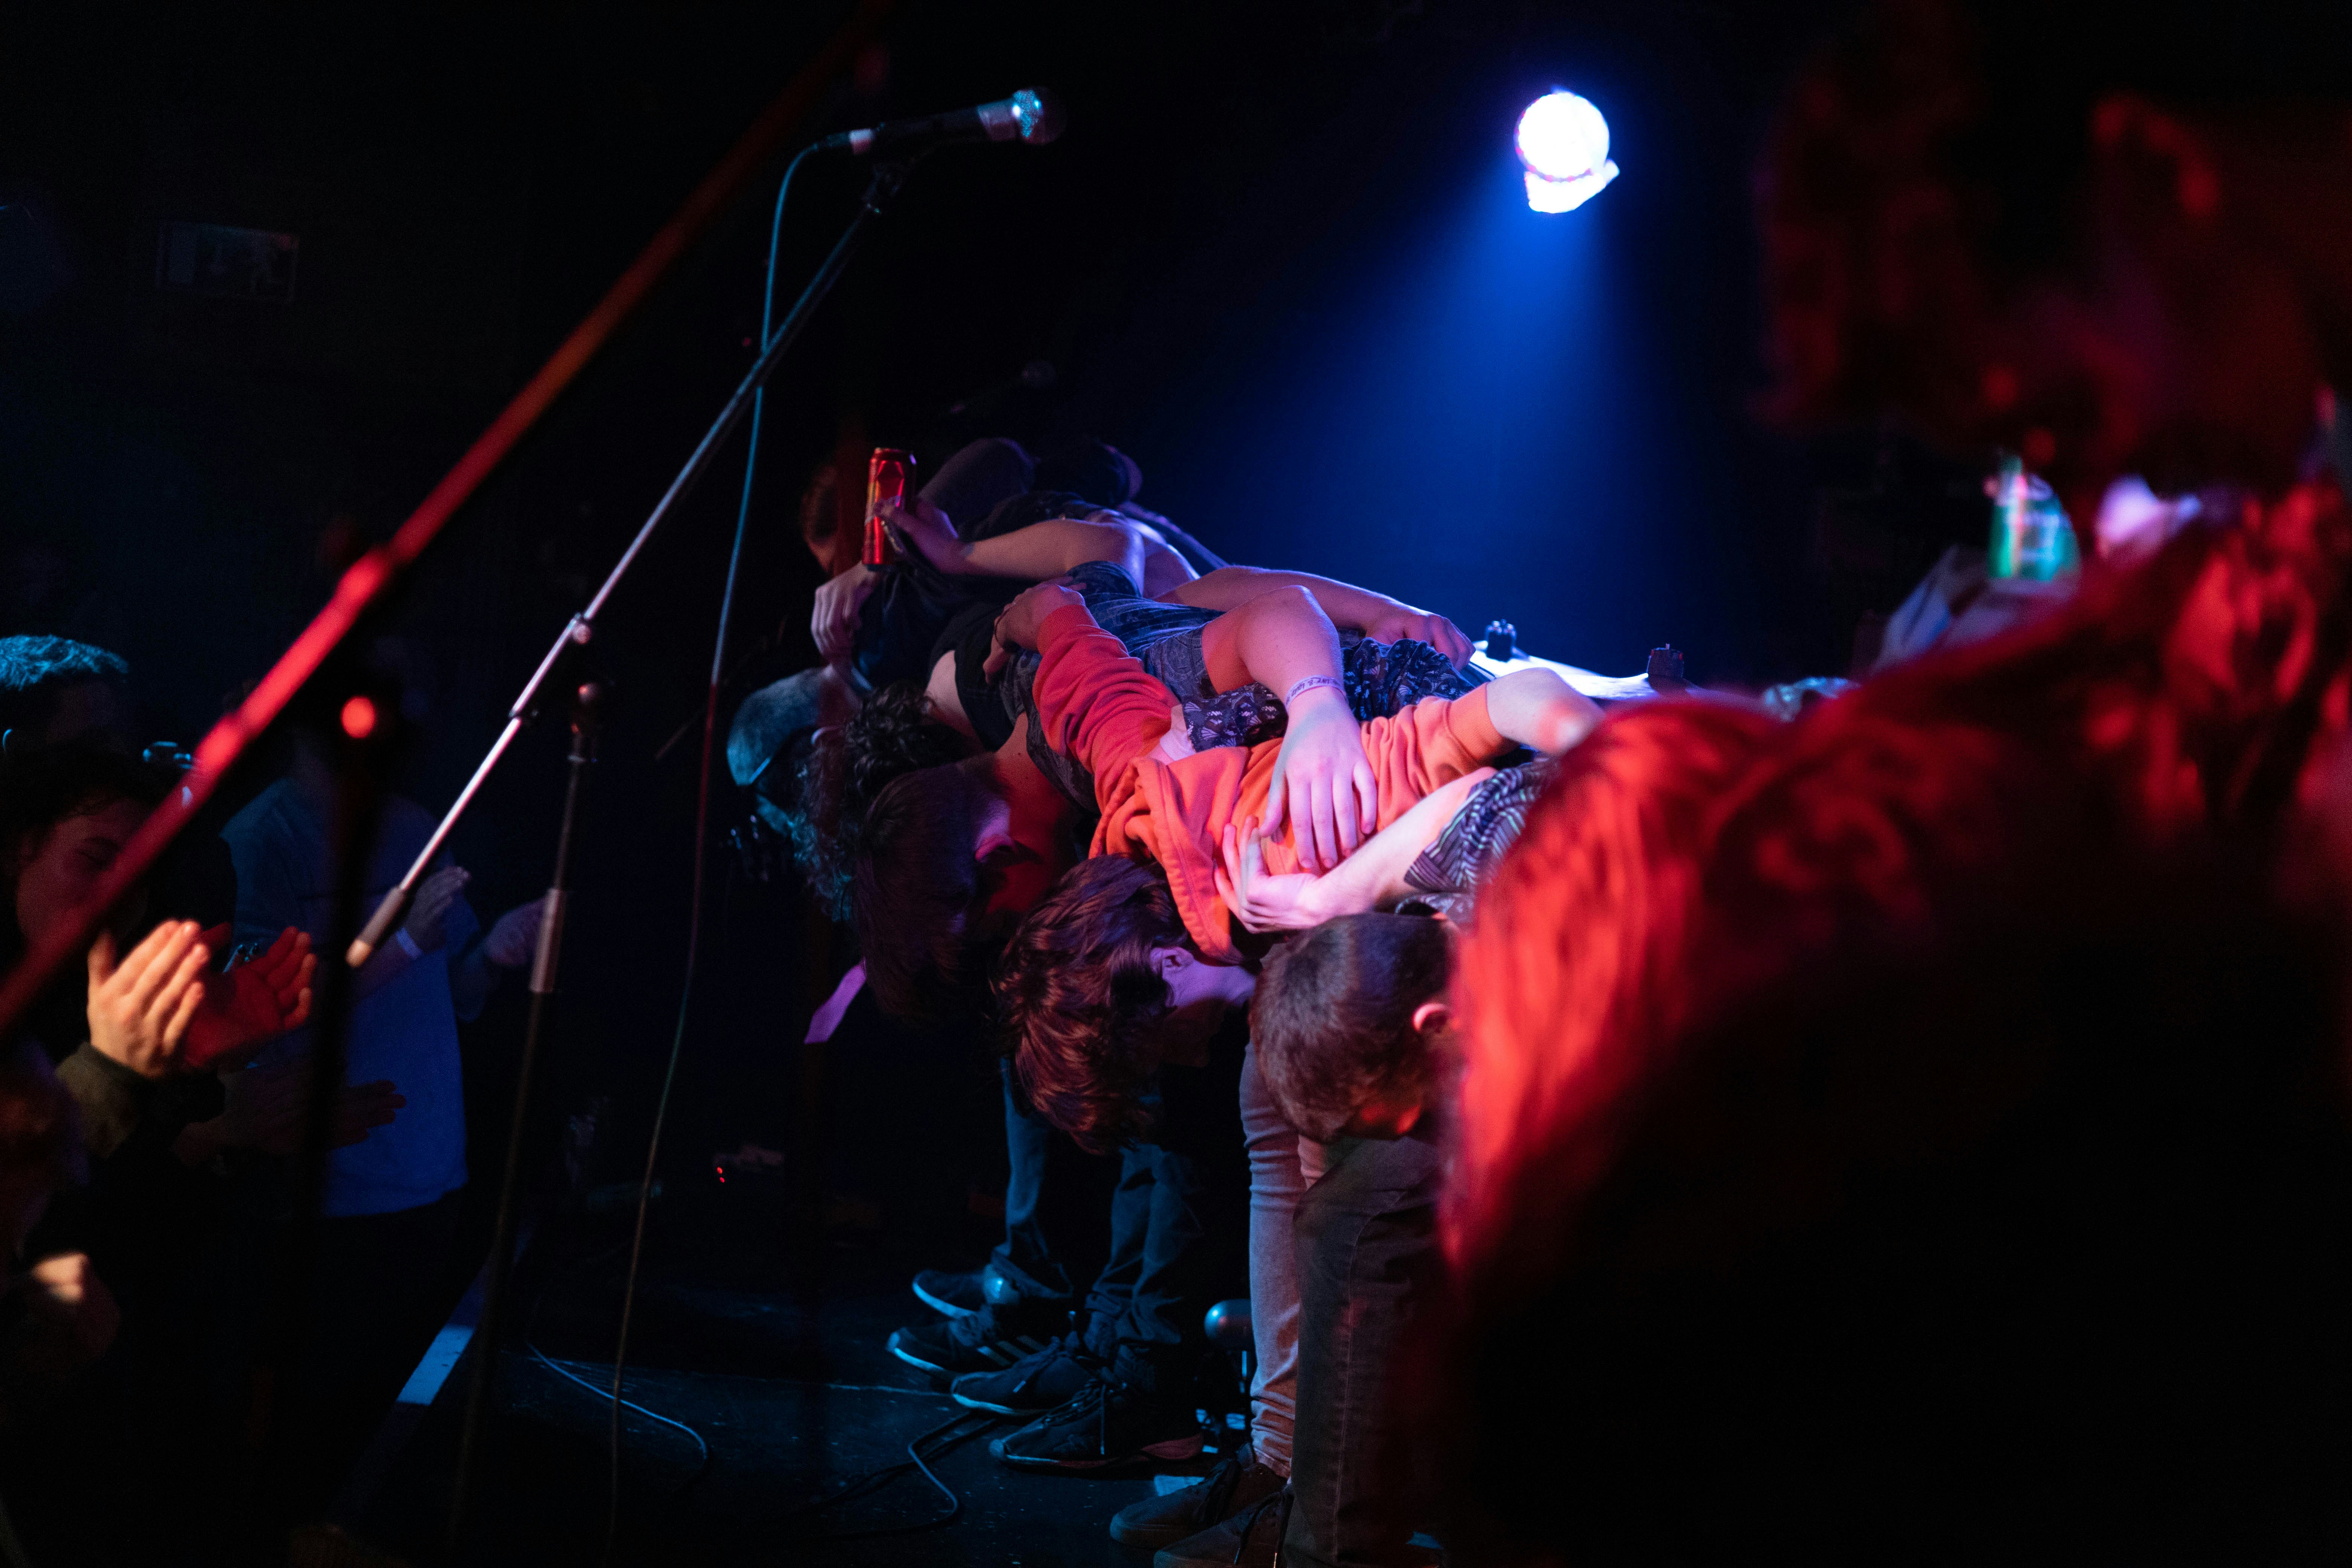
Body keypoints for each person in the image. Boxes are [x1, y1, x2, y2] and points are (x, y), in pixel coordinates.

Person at [221, 720, 543, 1500]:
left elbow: (458, 990)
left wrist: (495, 950)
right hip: (329, 1190)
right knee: (315, 1449)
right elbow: (260, 1009)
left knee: (395, 1446)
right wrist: (400, 945)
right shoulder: (261, 836)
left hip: (430, 1173)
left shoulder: (411, 823)